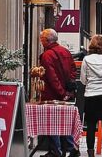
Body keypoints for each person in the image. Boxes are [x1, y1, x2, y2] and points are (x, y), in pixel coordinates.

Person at [39, 29, 77, 157]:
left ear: (47, 40)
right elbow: (73, 70)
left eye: (42, 39)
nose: (41, 41)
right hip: (66, 93)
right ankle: (71, 148)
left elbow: (51, 76)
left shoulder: (47, 55)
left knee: (52, 122)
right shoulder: (65, 51)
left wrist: (61, 92)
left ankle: (56, 150)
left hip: (52, 94)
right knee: (64, 121)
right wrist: (68, 90)